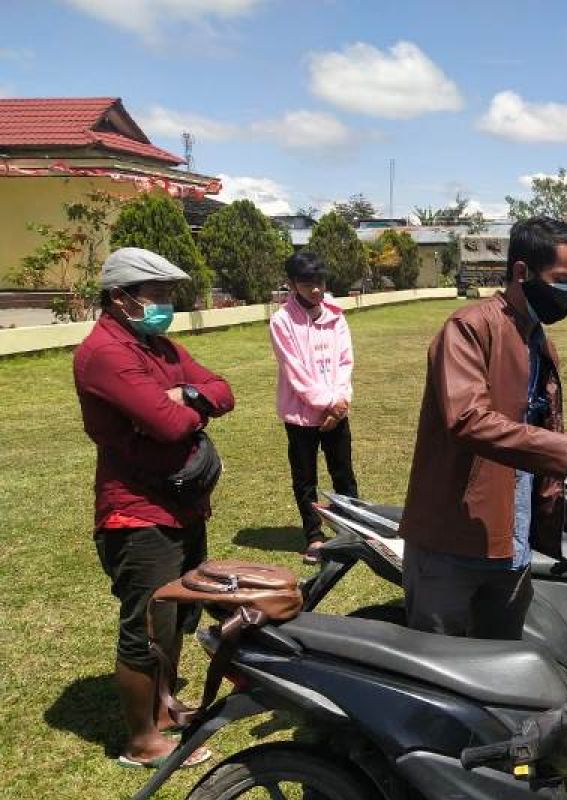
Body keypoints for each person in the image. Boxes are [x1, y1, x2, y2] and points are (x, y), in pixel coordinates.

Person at [398, 216, 567, 640]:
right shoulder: (469, 328)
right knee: (443, 674)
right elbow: (467, 420)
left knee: (501, 670)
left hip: (512, 541)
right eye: (561, 280)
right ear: (521, 272)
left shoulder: (537, 338)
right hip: (453, 541)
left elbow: (532, 423)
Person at [73, 247, 234, 768]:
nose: (165, 304)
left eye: (168, 295)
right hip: (137, 512)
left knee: (174, 617)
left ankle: (163, 711)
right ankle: (142, 742)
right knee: (147, 624)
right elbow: (167, 425)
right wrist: (182, 408)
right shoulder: (106, 353)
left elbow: (223, 391)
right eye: (156, 296)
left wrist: (183, 394)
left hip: (180, 505)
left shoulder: (157, 346)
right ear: (120, 299)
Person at [269, 251, 357, 564]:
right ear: (292, 284)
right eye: (307, 283)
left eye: (319, 281)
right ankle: (314, 535)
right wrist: (328, 403)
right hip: (301, 415)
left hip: (337, 411)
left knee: (343, 472)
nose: (316, 289)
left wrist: (340, 403)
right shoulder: (282, 321)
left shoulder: (335, 314)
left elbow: (345, 361)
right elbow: (295, 372)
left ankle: (353, 530)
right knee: (306, 478)